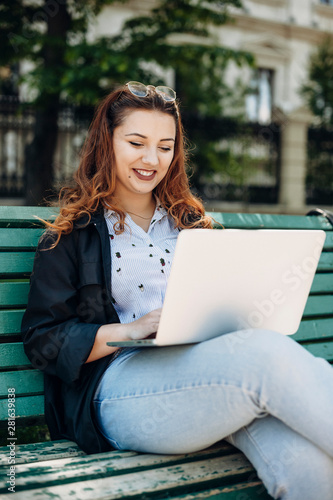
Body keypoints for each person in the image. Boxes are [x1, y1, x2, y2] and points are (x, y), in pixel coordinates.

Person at [21, 81, 333, 500]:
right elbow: (43, 341)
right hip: (120, 392)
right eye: (137, 142)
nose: (152, 159)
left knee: (312, 469)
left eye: (165, 147)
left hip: (210, 380)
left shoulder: (191, 227)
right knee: (264, 356)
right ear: (106, 142)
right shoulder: (71, 235)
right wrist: (130, 331)